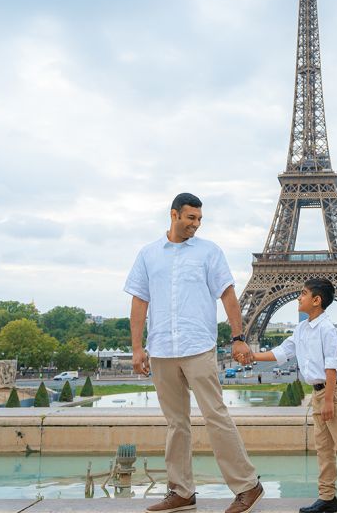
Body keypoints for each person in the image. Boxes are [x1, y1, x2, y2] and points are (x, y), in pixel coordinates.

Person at [126, 193, 264, 513]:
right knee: (176, 423)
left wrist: (238, 337)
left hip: (198, 345)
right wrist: (136, 347)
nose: (196, 224)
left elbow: (228, 295)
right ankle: (181, 490)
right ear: (174, 215)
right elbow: (139, 303)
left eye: (200, 219)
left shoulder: (209, 251)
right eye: (191, 218)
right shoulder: (147, 255)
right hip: (162, 348)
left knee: (216, 416)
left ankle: (247, 484)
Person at [247, 278, 337, 513]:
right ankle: (327, 497)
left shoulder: (327, 329)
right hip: (319, 393)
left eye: (303, 294)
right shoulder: (302, 328)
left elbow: (332, 365)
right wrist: (252, 357)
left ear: (317, 300)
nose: (298, 297)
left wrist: (328, 400)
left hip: (332, 391)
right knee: (323, 447)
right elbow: (283, 352)